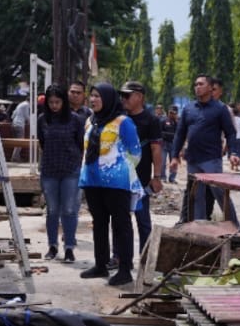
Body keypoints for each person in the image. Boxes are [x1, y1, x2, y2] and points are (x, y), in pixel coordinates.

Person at [79, 82, 142, 287]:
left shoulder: (123, 122)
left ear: (108, 98)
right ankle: (100, 264)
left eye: (98, 96)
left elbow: (136, 153)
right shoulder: (90, 121)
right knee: (99, 223)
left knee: (121, 225)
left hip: (117, 183)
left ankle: (124, 270)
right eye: (92, 96)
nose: (94, 99)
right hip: (92, 181)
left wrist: (119, 170)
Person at [171, 74, 240, 224]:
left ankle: (235, 226)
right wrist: (174, 156)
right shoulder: (189, 108)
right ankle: (200, 229)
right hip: (193, 160)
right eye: (196, 84)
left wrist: (233, 153)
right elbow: (180, 133)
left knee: (220, 194)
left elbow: (230, 132)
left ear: (210, 88)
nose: (197, 87)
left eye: (201, 84)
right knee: (197, 196)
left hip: (211, 160)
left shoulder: (220, 108)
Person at [36, 84, 86, 262]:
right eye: (51, 102)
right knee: (52, 210)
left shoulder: (75, 120)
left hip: (70, 170)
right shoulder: (43, 120)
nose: (54, 106)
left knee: (69, 209)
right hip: (49, 170)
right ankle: (52, 246)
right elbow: (42, 142)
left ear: (64, 102)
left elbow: (80, 144)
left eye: (58, 102)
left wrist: (75, 162)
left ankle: (69, 247)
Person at [120, 80, 165, 263]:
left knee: (142, 221)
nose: (123, 99)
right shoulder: (120, 118)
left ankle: (145, 258)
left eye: (127, 95)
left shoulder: (151, 120)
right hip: (119, 178)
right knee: (120, 221)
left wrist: (157, 177)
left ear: (139, 97)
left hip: (140, 181)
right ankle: (121, 257)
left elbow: (156, 149)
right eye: (122, 95)